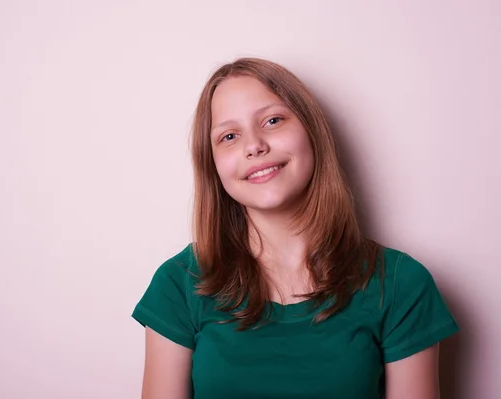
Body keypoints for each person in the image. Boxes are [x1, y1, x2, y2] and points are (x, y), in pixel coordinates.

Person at [131, 57, 459, 399]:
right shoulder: (178, 283)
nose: (254, 145)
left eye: (273, 120)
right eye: (229, 136)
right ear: (212, 165)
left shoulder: (401, 284)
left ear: (311, 131)